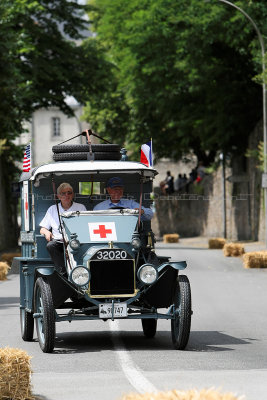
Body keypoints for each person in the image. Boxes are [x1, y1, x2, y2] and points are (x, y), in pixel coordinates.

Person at [40, 183, 86, 275]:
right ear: (58, 196)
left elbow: (86, 226)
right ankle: (63, 272)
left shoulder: (80, 207)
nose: (66, 195)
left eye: (69, 193)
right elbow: (42, 228)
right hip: (59, 243)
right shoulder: (52, 209)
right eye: (63, 193)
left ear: (72, 194)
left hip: (77, 242)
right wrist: (46, 232)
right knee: (50, 245)